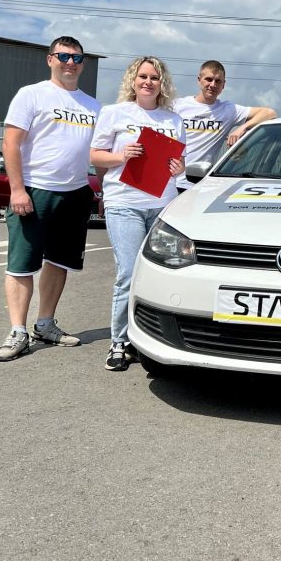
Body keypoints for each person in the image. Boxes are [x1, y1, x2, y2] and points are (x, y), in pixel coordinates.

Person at [0, 36, 100, 361]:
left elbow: (101, 152)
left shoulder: (93, 106)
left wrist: (103, 191)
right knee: (21, 264)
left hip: (75, 194)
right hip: (35, 190)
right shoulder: (31, 94)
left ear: (83, 63)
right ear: (50, 59)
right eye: (64, 56)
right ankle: (17, 332)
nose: (70, 63)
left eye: (77, 58)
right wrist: (17, 189)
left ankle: (45, 324)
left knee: (59, 262)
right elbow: (11, 143)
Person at [90, 56, 185, 372]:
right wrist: (121, 156)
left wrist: (178, 168)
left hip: (162, 204)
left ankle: (153, 338)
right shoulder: (114, 113)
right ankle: (119, 342)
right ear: (133, 80)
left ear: (162, 83)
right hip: (125, 203)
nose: (148, 82)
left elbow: (180, 163)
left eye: (154, 77)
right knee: (129, 273)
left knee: (163, 274)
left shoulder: (174, 120)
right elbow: (95, 156)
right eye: (143, 76)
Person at [173, 60, 277, 189]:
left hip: (198, 185)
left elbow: (269, 113)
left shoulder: (228, 110)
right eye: (208, 79)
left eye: (218, 81)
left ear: (223, 85)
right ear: (199, 80)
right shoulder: (178, 106)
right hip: (170, 182)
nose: (213, 85)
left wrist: (242, 127)